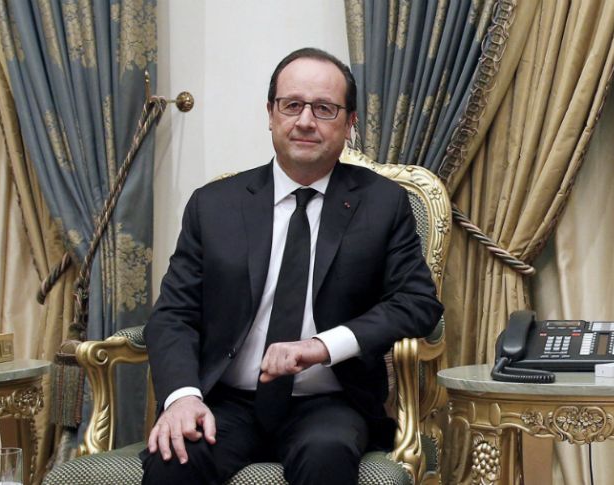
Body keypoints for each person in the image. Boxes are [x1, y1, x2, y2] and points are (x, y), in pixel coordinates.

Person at [140, 47, 443, 485]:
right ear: (270, 113)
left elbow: (417, 303)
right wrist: (183, 397)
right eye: (292, 105)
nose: (304, 121)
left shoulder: (383, 203)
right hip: (226, 401)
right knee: (176, 457)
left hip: (329, 403)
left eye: (324, 109)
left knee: (326, 455)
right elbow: (173, 314)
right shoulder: (214, 205)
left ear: (350, 123)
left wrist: (322, 346)